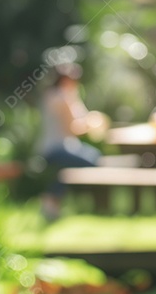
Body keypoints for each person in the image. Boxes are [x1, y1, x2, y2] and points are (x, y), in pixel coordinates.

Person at [36, 63, 109, 220]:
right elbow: (73, 128)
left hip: (57, 147)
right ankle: (55, 198)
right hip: (58, 148)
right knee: (92, 160)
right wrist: (93, 125)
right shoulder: (63, 97)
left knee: (73, 167)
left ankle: (53, 200)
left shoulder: (53, 95)